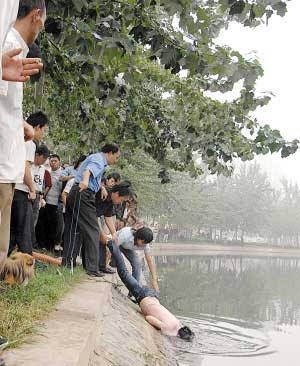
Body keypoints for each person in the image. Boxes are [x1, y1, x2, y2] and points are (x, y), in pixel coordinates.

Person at [107, 240, 194, 340]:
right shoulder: (168, 329)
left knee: (127, 275)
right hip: (143, 295)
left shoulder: (178, 323)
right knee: (123, 272)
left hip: (152, 296)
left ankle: (113, 248)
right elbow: (148, 318)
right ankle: (111, 243)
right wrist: (161, 328)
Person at [62, 143, 120, 277]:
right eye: (116, 157)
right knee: (93, 230)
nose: (115, 160)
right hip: (83, 193)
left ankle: (67, 263)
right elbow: (88, 170)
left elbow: (95, 176)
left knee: (73, 229)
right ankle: (92, 268)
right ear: (110, 153)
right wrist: (86, 181)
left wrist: (101, 187)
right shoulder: (99, 159)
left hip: (76, 192)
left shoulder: (97, 159)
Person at [9, 111, 48, 255]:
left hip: (13, 188)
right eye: (43, 130)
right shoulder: (30, 143)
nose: (43, 134)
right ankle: (26, 268)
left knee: (12, 232)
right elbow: (25, 167)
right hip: (22, 191)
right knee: (24, 232)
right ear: (37, 127)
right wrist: (32, 189)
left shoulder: (17, 138)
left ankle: (5, 266)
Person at [96, 182, 134, 274]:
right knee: (98, 238)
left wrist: (114, 234)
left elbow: (108, 216)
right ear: (117, 194)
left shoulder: (111, 201)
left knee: (104, 241)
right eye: (122, 200)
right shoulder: (103, 194)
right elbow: (94, 216)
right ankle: (93, 267)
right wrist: (102, 233)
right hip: (85, 215)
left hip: (94, 218)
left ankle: (102, 266)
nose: (121, 202)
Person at [116, 226, 159, 293]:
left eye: (146, 243)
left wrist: (154, 279)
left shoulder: (145, 244)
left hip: (127, 248)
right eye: (143, 243)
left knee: (137, 264)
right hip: (117, 244)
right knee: (117, 261)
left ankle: (133, 292)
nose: (144, 245)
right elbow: (113, 247)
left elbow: (149, 260)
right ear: (138, 238)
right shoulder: (126, 235)